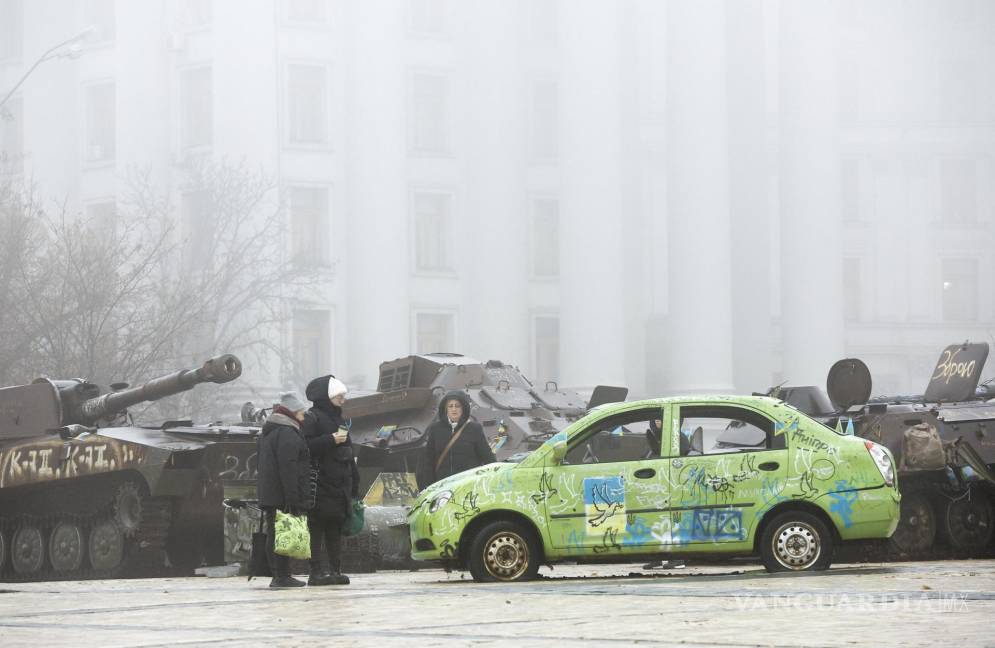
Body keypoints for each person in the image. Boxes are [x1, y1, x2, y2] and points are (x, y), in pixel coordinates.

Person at [301, 374, 359, 586]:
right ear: (327, 397)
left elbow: (348, 449)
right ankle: (315, 572)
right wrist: (330, 439)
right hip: (320, 483)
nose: (343, 400)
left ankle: (335, 569)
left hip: (339, 483)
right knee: (316, 528)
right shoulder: (312, 417)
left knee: (334, 528)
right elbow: (305, 446)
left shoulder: (339, 419)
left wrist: (354, 480)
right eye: (338, 396)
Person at [256, 391, 312, 588]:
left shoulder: (272, 431)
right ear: (293, 413)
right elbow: (289, 467)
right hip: (282, 494)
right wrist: (293, 497)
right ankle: (281, 576)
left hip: (272, 492)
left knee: (276, 532)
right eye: (302, 413)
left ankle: (279, 574)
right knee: (282, 533)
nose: (304, 417)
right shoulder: (287, 433)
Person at [417, 390, 496, 490]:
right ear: (445, 409)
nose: (454, 409)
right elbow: (428, 461)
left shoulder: (474, 429)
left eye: (457, 406)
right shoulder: (435, 429)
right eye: (450, 406)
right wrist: (428, 486)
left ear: (464, 408)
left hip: (468, 486)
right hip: (442, 487)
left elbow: (487, 457)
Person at [642, 418, 686, 571]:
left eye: (661, 420)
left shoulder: (678, 438)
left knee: (672, 522)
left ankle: (677, 558)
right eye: (656, 421)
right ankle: (657, 558)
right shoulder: (656, 437)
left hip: (673, 485)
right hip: (659, 485)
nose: (658, 423)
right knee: (656, 522)